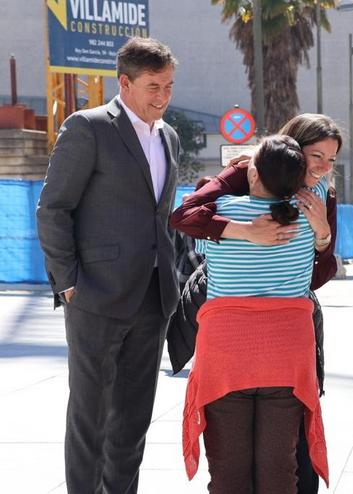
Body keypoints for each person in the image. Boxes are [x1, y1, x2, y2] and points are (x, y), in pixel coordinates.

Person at [35, 38, 180, 492]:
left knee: (133, 420)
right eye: (153, 85)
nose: (163, 96)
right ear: (125, 82)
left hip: (154, 297)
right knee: (90, 418)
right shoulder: (88, 127)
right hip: (95, 295)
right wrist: (68, 283)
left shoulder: (169, 136)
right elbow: (53, 209)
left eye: (169, 86)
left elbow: (161, 217)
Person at [170, 113, 340, 494]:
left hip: (227, 355)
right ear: (298, 165)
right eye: (317, 158)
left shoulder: (221, 214)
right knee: (280, 470)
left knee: (229, 473)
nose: (324, 169)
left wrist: (240, 232)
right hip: (287, 357)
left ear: (253, 173)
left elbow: (186, 218)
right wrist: (321, 234)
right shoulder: (309, 218)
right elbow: (319, 270)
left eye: (330, 161)